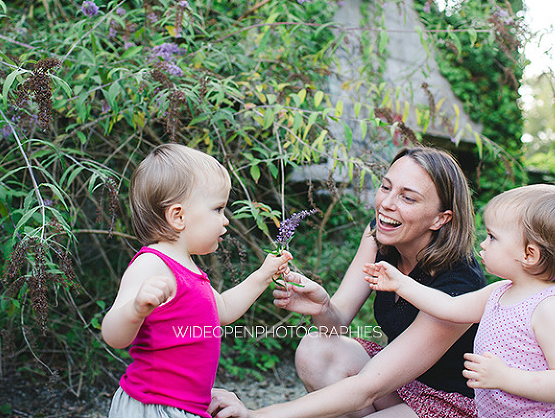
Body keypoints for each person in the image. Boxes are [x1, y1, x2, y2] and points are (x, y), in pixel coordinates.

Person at [209, 145, 488, 418]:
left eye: (408, 198)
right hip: (400, 383)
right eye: (386, 187)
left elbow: (367, 388)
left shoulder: (459, 284)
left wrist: (257, 414)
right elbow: (337, 324)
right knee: (316, 349)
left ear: (441, 218)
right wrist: (322, 307)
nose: (386, 204)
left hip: (450, 401)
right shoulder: (379, 235)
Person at [101, 143, 293, 418]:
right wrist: (135, 310)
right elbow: (112, 334)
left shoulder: (189, 269)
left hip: (183, 406)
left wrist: (262, 276)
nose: (225, 221)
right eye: (217, 209)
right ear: (178, 216)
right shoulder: (152, 264)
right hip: (153, 406)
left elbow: (223, 309)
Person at [363, 183, 555, 417]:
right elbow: (449, 306)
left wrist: (506, 377)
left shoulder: (550, 307)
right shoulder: (499, 292)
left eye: (493, 237)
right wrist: (402, 283)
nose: (483, 243)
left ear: (529, 254)